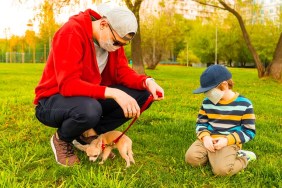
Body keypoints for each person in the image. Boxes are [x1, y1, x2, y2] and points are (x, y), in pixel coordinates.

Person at [34, 4, 164, 167]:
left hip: (88, 98)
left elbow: (122, 72)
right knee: (90, 110)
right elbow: (68, 85)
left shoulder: (111, 42)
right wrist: (114, 93)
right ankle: (62, 139)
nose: (118, 47)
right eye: (117, 42)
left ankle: (88, 134)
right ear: (103, 24)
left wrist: (147, 82)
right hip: (52, 101)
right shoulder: (71, 32)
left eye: (122, 45)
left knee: (144, 94)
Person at [185, 65, 256, 176]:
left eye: (209, 90)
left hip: (229, 142)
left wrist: (226, 141)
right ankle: (216, 157)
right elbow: (201, 123)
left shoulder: (245, 104)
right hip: (208, 139)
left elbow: (249, 131)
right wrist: (205, 137)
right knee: (191, 159)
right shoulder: (207, 102)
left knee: (222, 171)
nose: (206, 94)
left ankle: (243, 158)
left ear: (224, 85)